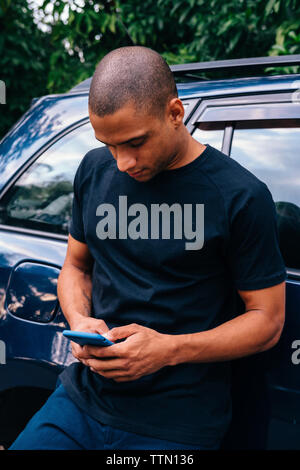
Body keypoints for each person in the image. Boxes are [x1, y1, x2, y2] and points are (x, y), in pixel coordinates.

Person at [9, 46, 286, 450]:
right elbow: (76, 267)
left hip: (177, 421)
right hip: (82, 401)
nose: (122, 162)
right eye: (109, 145)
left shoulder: (240, 196)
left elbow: (267, 321)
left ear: (175, 113)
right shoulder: (93, 170)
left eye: (135, 142)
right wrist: (79, 318)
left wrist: (168, 350)